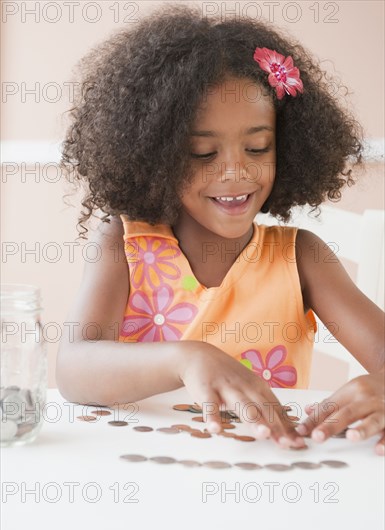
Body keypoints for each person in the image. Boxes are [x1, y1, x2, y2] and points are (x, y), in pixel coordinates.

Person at [56, 3, 384, 454]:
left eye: (257, 147)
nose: (235, 172)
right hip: (141, 472)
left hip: (267, 472)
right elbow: (74, 369)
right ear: (157, 156)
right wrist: (186, 358)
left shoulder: (301, 257)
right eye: (203, 153)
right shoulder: (125, 243)